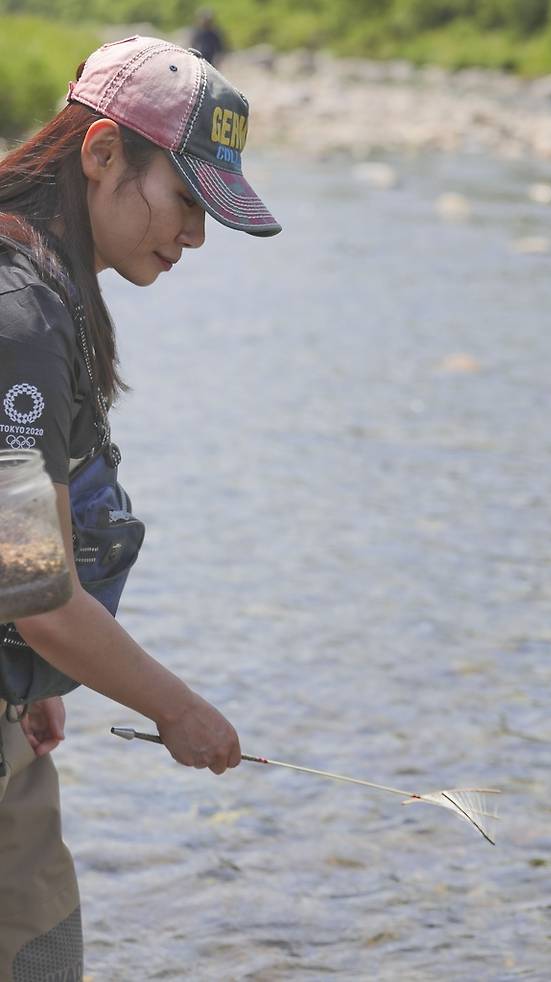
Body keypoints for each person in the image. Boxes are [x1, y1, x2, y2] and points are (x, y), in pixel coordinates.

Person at [0, 35, 281, 981]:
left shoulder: (49, 288)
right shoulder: (19, 317)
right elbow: (31, 592)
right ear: (102, 152)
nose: (195, 237)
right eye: (186, 201)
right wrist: (177, 711)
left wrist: (29, 688)